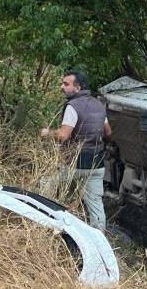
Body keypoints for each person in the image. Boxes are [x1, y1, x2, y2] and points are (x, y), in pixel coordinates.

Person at [40, 69, 112, 230]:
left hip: (74, 164)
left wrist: (47, 133)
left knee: (45, 186)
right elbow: (109, 133)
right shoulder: (99, 105)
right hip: (96, 164)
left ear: (78, 88)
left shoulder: (73, 106)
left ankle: (46, 227)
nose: (62, 87)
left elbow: (63, 136)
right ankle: (98, 239)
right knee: (95, 204)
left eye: (66, 84)